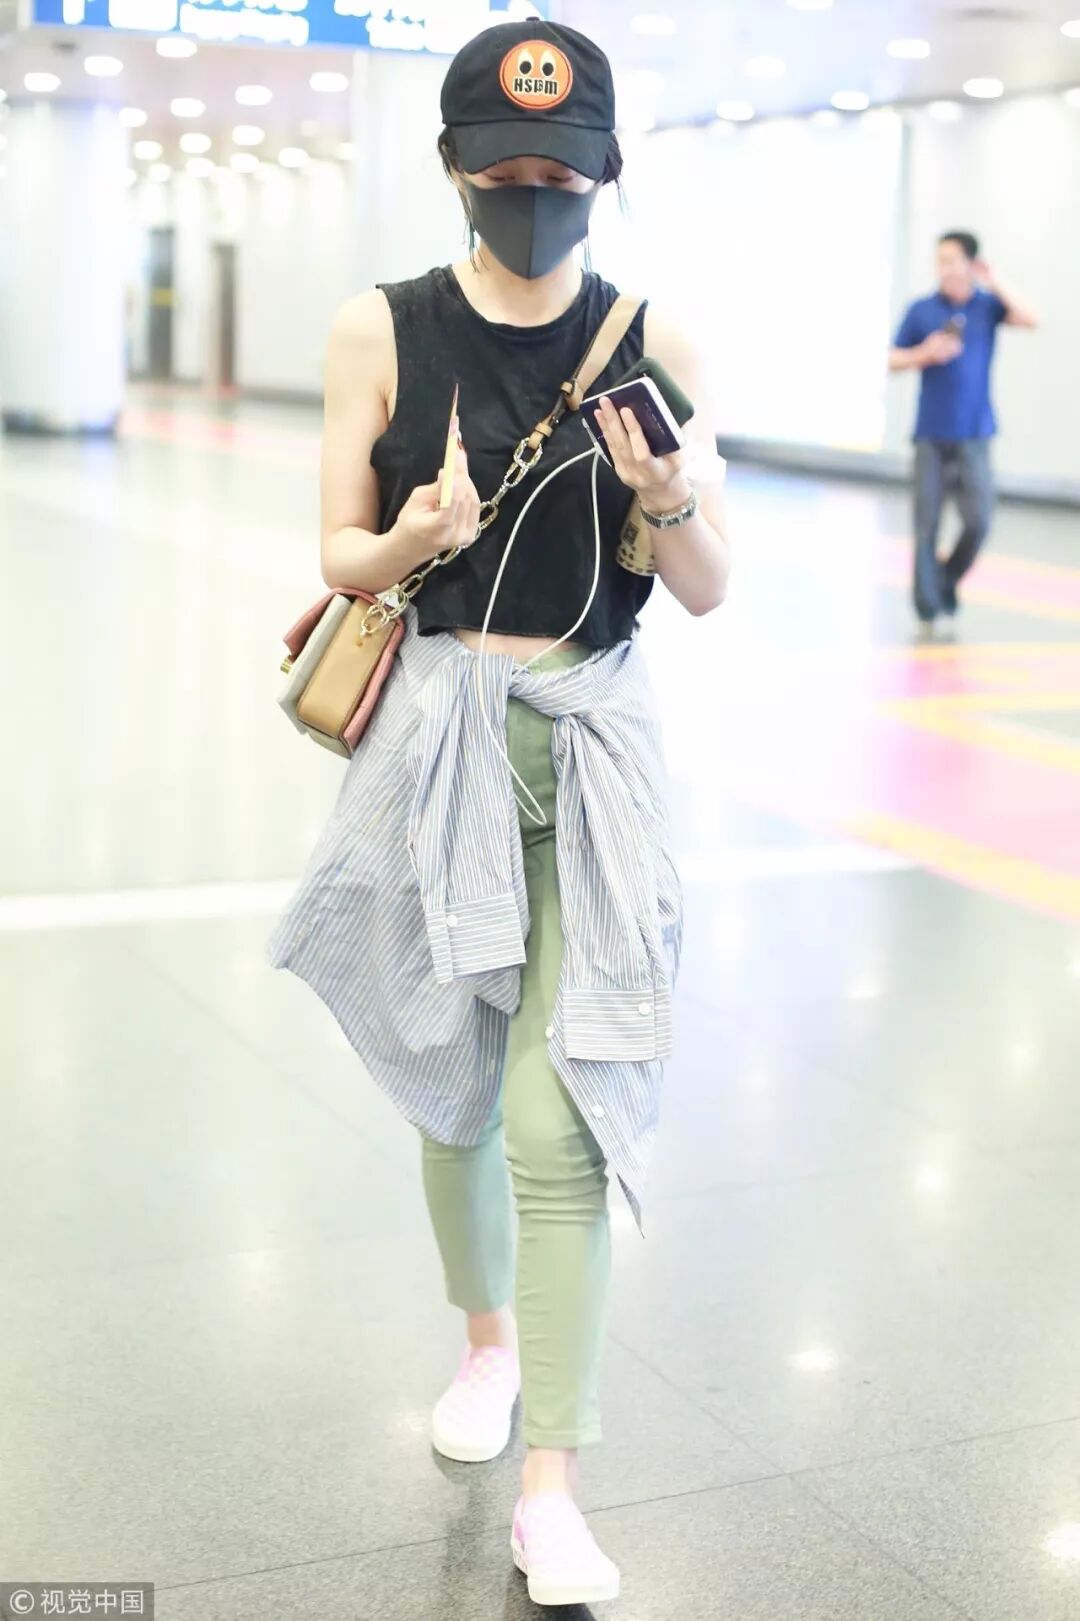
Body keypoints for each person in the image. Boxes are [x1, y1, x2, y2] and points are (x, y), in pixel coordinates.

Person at [269, 18, 729, 1609]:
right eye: (509, 169)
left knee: (557, 1114)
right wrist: (412, 535)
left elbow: (708, 585)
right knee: (456, 1091)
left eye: (564, 172)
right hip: (436, 745)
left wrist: (666, 499)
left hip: (594, 752)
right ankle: (487, 1343)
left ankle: (554, 1483)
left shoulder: (651, 335)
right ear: (457, 168)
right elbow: (337, 552)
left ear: (606, 174)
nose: (536, 195)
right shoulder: (380, 327)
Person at [889, 231, 1038, 632]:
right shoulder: (922, 310)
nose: (944, 268)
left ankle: (946, 580)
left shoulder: (986, 307)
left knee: (979, 520)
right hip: (930, 435)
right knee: (926, 524)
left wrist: (994, 280)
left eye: (952, 260)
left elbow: (1031, 318)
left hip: (975, 433)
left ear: (970, 264)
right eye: (940, 260)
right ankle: (927, 609)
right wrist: (923, 354)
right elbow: (890, 358)